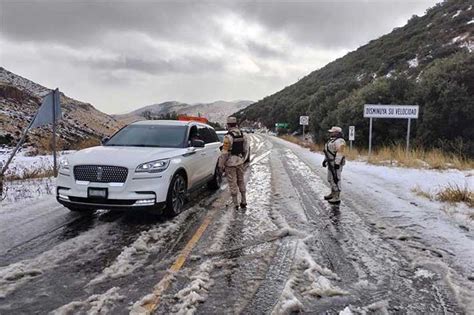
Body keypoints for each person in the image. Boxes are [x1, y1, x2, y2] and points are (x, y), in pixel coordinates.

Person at [219, 117, 248, 210]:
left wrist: (221, 165)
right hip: (240, 161)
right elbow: (245, 149)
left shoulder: (228, 137)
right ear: (236, 124)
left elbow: (225, 152)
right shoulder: (243, 134)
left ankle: (236, 204)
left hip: (230, 164)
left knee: (233, 183)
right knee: (241, 181)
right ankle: (244, 200)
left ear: (228, 125)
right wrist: (242, 158)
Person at [322, 126, 346, 205]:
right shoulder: (332, 140)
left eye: (332, 132)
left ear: (337, 132)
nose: (331, 133)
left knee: (336, 179)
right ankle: (333, 193)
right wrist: (325, 160)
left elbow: (340, 153)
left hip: (336, 163)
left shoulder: (340, 141)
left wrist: (337, 163)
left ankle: (337, 196)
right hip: (330, 162)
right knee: (330, 179)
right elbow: (328, 151)